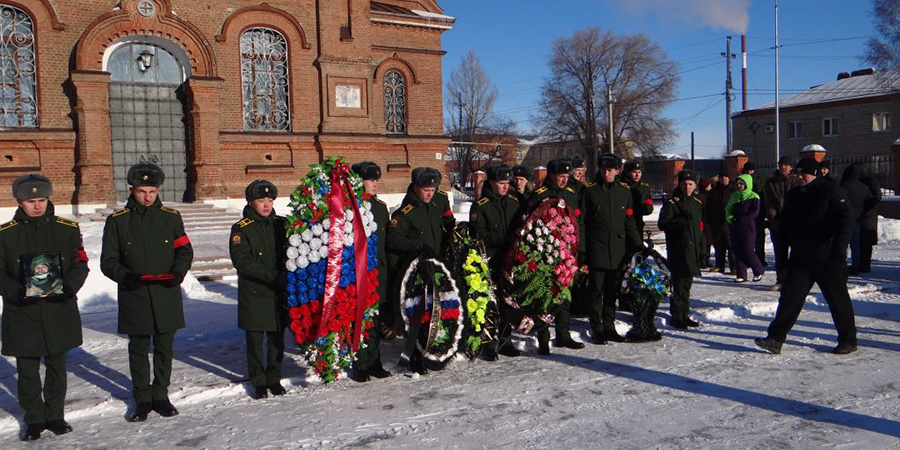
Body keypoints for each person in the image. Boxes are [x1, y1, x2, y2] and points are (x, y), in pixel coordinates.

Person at [101, 163, 193, 422]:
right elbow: (108, 261)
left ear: (158, 190)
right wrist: (126, 277)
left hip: (165, 294)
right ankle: (142, 398)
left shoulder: (170, 218)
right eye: (142, 191)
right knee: (138, 349)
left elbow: (184, 250)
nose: (148, 197)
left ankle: (161, 394)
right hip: (135, 295)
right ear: (132, 190)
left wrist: (178, 273)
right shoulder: (118, 221)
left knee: (165, 348)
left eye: (152, 191)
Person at [0, 174, 89, 441]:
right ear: (19, 201)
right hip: (22, 312)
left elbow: (79, 263)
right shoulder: (5, 235)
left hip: (57, 309)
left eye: (41, 200)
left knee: (56, 367)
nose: (37, 206)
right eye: (30, 201)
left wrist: (70, 288)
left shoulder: (67, 229)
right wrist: (15, 292)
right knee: (27, 371)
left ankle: (55, 415)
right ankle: (34, 419)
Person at [755, 158, 857, 355]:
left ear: (815, 173)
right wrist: (782, 256)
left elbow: (846, 220)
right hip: (801, 256)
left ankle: (848, 339)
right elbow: (785, 226)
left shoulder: (830, 191)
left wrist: (839, 249)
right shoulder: (794, 195)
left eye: (804, 173)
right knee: (789, 298)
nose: (800, 177)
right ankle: (775, 338)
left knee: (837, 299)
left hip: (827, 257)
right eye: (798, 173)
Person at [386, 167, 455, 373]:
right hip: (415, 272)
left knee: (436, 312)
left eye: (433, 190)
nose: (429, 194)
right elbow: (393, 239)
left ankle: (433, 348)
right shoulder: (404, 213)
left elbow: (445, 226)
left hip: (435, 267)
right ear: (415, 187)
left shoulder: (436, 204)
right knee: (417, 315)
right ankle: (415, 355)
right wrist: (418, 245)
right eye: (426, 190)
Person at [229, 180, 288, 398]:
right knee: (254, 341)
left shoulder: (281, 224)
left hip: (277, 292)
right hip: (255, 292)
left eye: (270, 200)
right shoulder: (241, 229)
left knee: (277, 338)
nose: (266, 205)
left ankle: (274, 378)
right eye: (261, 200)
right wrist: (273, 276)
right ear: (250, 202)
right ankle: (258, 380)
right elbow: (242, 262)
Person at [581, 154, 642, 344]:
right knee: (596, 291)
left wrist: (638, 244)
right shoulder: (590, 191)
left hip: (617, 250)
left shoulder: (624, 192)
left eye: (610, 170)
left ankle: (609, 326)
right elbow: (581, 223)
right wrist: (582, 249)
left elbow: (629, 221)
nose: (607, 173)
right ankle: (597, 328)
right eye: (603, 170)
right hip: (597, 249)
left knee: (611, 292)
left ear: (618, 171)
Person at [469, 164, 523, 360]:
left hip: (511, 261)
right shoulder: (481, 206)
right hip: (490, 260)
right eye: (501, 183)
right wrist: (504, 239)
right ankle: (489, 344)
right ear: (491, 183)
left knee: (507, 302)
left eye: (507, 183)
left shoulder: (514, 202)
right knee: (490, 304)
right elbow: (479, 235)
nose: (505, 187)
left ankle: (506, 340)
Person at [529, 157, 584, 353]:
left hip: (567, 253)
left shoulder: (571, 193)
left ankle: (563, 334)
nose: (564, 180)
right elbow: (531, 225)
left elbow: (578, 223)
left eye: (566, 176)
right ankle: (543, 337)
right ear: (551, 176)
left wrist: (579, 249)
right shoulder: (539, 194)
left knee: (565, 296)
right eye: (560, 176)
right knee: (545, 296)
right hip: (546, 253)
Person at [349, 162, 393, 381]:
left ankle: (375, 361)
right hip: (358, 273)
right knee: (360, 319)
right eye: (371, 180)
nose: (375, 184)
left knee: (376, 319)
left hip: (379, 271)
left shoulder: (380, 206)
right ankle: (360, 364)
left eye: (377, 180)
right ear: (359, 182)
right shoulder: (349, 206)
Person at [658, 170, 706, 329]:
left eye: (691, 184)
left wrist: (702, 250)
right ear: (679, 184)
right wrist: (680, 220)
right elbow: (663, 224)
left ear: (695, 185)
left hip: (692, 250)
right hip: (678, 248)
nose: (687, 187)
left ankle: (685, 314)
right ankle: (677, 315)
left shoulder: (697, 204)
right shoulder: (673, 203)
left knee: (687, 285)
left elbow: (699, 229)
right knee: (678, 285)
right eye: (684, 184)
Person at [763, 157, 799, 291]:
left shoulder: (797, 181)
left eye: (786, 165)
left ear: (791, 167)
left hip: (795, 221)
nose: (783, 167)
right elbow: (767, 200)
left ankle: (797, 280)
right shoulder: (771, 182)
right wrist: (771, 212)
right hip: (778, 222)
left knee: (797, 253)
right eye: (781, 165)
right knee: (780, 253)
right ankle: (781, 280)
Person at [725, 174, 765, 282]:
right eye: (737, 184)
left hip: (748, 227)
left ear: (747, 184)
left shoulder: (753, 196)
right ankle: (741, 274)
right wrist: (730, 218)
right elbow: (728, 209)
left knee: (748, 250)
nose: (739, 186)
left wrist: (742, 219)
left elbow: (754, 212)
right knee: (737, 250)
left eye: (741, 184)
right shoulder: (734, 196)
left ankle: (758, 270)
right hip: (735, 227)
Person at [839, 163, 874, 275]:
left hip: (845, 218)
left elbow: (839, 199)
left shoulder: (845, 185)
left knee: (842, 244)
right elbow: (870, 199)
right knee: (856, 245)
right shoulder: (864, 187)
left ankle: (841, 266)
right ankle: (856, 266)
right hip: (858, 218)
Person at [705, 172, 735, 274]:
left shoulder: (733, 190)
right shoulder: (713, 192)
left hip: (729, 222)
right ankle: (719, 265)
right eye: (722, 177)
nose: (723, 179)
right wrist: (708, 219)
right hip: (716, 222)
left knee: (731, 246)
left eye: (726, 177)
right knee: (718, 245)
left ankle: (734, 267)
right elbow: (708, 207)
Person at [743, 163, 768, 267]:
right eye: (748, 170)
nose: (750, 172)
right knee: (747, 238)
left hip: (758, 212)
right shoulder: (741, 180)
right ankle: (750, 258)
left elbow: (764, 196)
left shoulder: (760, 181)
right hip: (747, 212)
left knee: (758, 237)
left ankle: (760, 258)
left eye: (751, 170)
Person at [858, 166, 882, 273]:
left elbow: (877, 198)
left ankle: (864, 264)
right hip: (866, 215)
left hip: (868, 216)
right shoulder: (862, 181)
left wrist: (865, 207)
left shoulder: (871, 182)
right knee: (861, 242)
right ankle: (862, 263)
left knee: (866, 242)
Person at [622, 160, 654, 240]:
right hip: (622, 224)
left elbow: (648, 205)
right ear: (628, 173)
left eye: (639, 172)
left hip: (637, 223)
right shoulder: (621, 186)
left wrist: (646, 208)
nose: (637, 175)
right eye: (634, 172)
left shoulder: (644, 187)